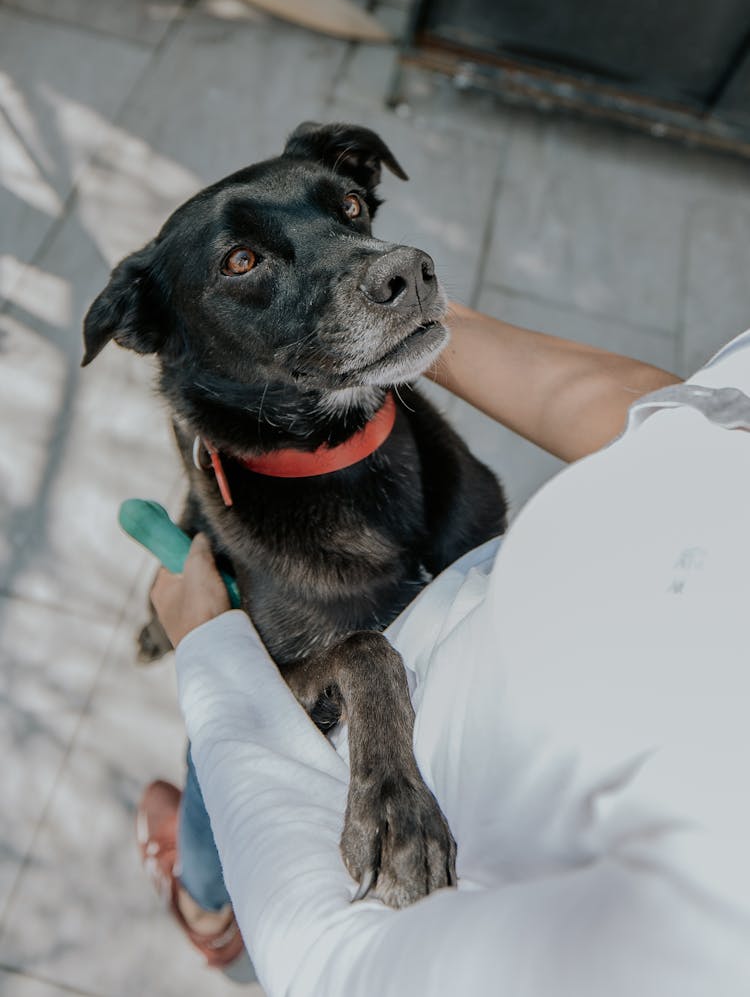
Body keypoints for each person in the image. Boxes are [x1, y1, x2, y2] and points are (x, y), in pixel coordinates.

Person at [138, 302, 750, 994]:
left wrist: (210, 655)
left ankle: (206, 906)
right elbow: (688, 420)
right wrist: (403, 313)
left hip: (349, 807)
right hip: (465, 602)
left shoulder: (715, 889)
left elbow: (330, 970)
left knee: (214, 762)